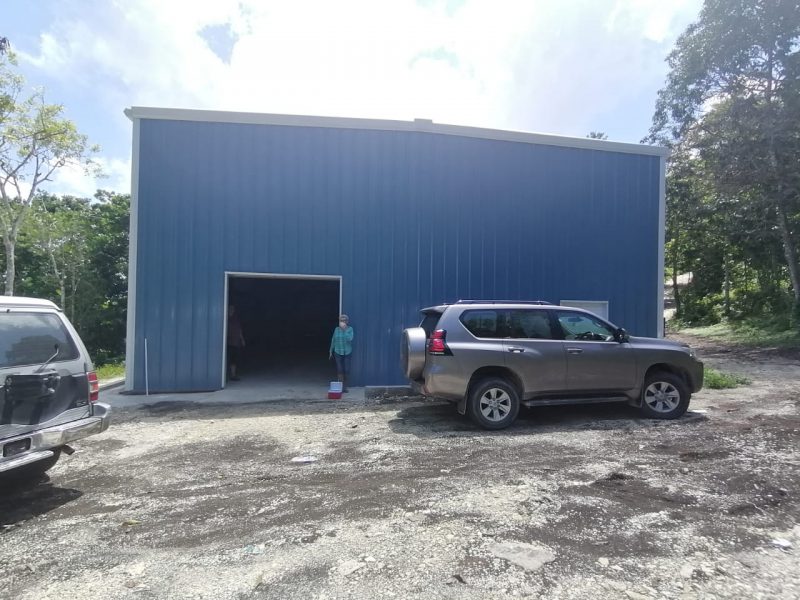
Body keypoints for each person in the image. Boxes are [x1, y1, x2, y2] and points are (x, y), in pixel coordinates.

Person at [329, 314, 354, 392]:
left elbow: (350, 339)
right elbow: (333, 340)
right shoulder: (336, 329)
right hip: (337, 351)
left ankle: (345, 387)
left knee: (346, 369)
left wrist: (344, 330)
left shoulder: (350, 329)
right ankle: (341, 387)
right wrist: (330, 351)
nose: (342, 322)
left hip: (347, 352)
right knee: (340, 369)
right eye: (341, 320)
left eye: (344, 320)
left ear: (347, 321)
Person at [227, 304, 245, 381]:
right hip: (228, 342)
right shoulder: (225, 319)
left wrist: (242, 339)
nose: (231, 310)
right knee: (228, 358)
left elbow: (239, 330)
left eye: (233, 309)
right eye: (230, 309)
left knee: (234, 359)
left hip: (235, 342)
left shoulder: (236, 319)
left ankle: (233, 375)